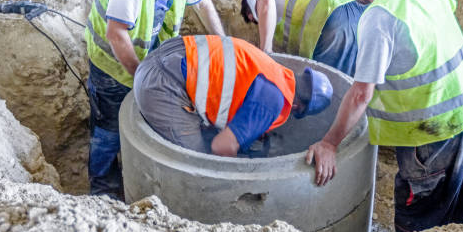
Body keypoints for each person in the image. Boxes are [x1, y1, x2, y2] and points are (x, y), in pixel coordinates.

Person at [305, 0, 463, 232]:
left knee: (420, 222)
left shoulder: (379, 17)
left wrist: (329, 143)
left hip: (435, 134)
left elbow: (360, 94)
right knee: (459, 217)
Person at [84, 0, 225, 199]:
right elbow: (116, 34)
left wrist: (224, 44)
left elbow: (203, 4)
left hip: (149, 57)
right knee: (109, 128)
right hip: (112, 66)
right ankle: (102, 185)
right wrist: (143, 79)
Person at [133, 35, 333, 156]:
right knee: (198, 163)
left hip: (167, 52)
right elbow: (221, 147)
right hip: (163, 85)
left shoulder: (272, 69)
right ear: (297, 107)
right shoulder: (273, 101)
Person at [240, 0, 365, 76]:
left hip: (330, 14)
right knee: (348, 84)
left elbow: (266, 1)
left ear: (250, 15)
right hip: (360, 8)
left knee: (326, 87)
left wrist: (265, 51)